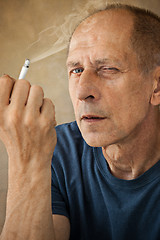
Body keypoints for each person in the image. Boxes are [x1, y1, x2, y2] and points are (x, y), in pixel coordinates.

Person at [0, 3, 160, 240]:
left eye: (107, 68)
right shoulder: (54, 149)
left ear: (156, 86)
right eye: (76, 70)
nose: (82, 91)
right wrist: (27, 159)